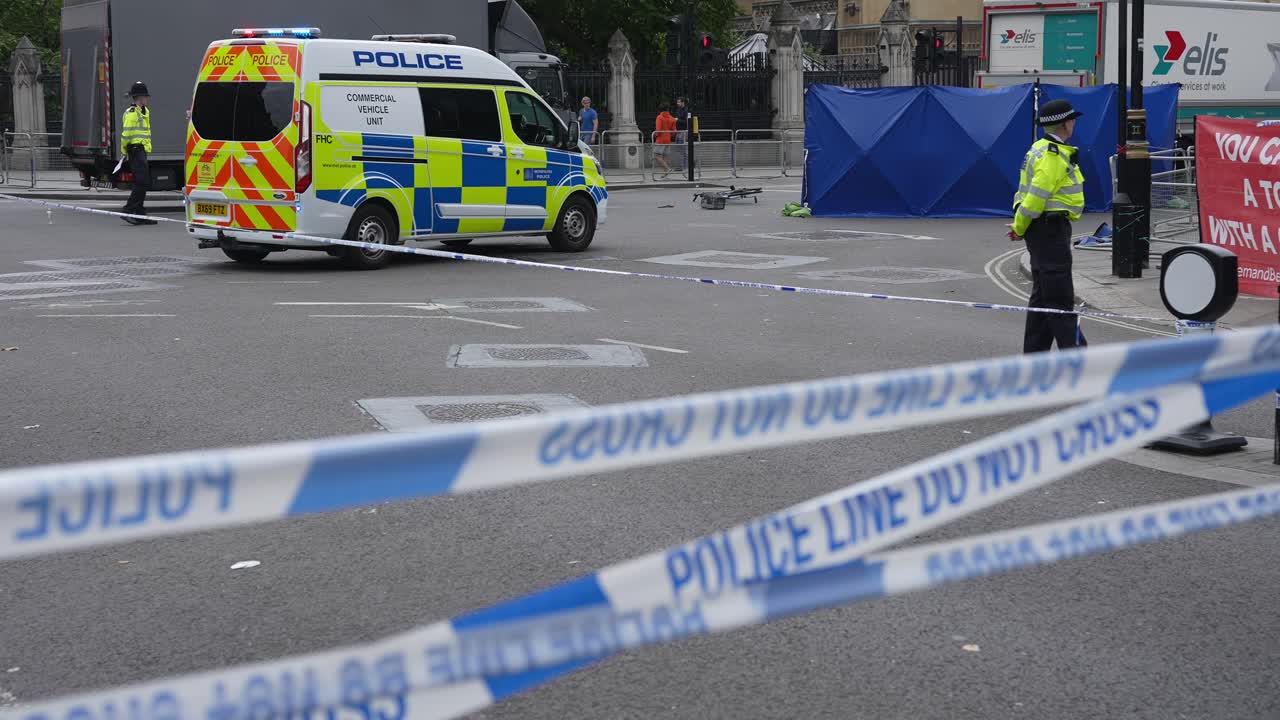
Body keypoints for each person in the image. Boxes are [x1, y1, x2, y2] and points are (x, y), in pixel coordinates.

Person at [1010, 99, 1087, 353]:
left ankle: (1034, 359)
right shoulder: (1053, 156)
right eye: (1072, 120)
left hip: (1043, 230)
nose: (1074, 123)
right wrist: (1020, 227)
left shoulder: (1040, 149)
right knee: (1060, 299)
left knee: (1043, 299)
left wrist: (1022, 227)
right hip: (1050, 230)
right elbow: (1034, 198)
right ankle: (1081, 360)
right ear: (1065, 124)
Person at [120, 81, 157, 226]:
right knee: (141, 181)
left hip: (142, 150)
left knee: (144, 181)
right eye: (145, 96)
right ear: (140, 97)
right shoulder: (131, 113)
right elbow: (126, 134)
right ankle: (128, 210)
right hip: (134, 150)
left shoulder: (144, 111)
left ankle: (140, 214)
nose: (146, 99)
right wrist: (124, 151)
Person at [653, 103, 677, 177]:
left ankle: (667, 168)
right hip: (668, 139)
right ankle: (665, 173)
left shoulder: (659, 117)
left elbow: (658, 130)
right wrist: (670, 135)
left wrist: (655, 135)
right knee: (665, 156)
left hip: (660, 139)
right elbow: (674, 131)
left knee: (657, 156)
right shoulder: (672, 118)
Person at [673, 97, 690, 171]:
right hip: (678, 131)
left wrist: (678, 120)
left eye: (679, 102)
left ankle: (685, 166)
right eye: (677, 102)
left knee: (683, 149)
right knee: (678, 149)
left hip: (683, 131)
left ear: (683, 102)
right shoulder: (678, 110)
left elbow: (687, 122)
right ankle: (680, 166)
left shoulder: (686, 111)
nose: (677, 103)